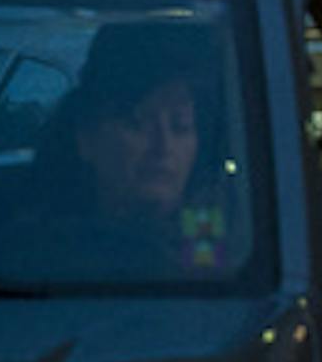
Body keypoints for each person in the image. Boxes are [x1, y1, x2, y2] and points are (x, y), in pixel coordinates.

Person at [28, 22, 237, 279]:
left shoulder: (220, 238)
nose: (163, 147)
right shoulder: (39, 254)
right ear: (86, 138)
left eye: (180, 126)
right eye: (137, 123)